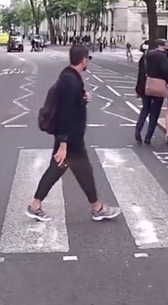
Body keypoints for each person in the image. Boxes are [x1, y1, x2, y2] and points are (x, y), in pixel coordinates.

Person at [27, 45, 121, 222]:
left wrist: (82, 99)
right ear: (83, 59)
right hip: (70, 139)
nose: (88, 62)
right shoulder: (69, 81)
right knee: (77, 171)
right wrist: (63, 143)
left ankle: (36, 205)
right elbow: (65, 113)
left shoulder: (70, 77)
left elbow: (70, 105)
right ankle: (97, 208)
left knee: (67, 170)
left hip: (71, 138)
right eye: (88, 58)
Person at [134, 39, 168, 144]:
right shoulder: (162, 57)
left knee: (145, 109)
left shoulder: (144, 57)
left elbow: (140, 74)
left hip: (145, 86)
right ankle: (148, 137)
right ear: (159, 46)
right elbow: (165, 72)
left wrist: (138, 88)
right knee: (155, 112)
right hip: (158, 87)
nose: (165, 48)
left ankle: (138, 130)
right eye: (164, 46)